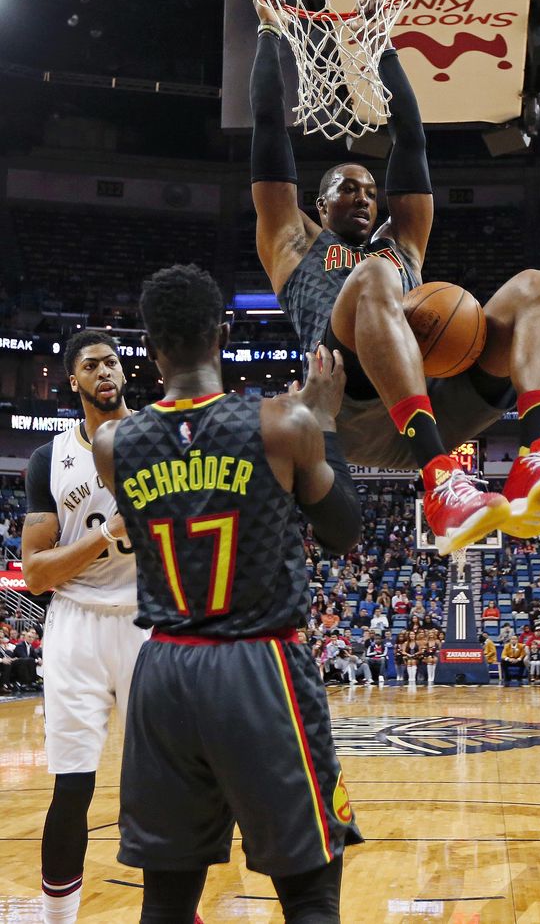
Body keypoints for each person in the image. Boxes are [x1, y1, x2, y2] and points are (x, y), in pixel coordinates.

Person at [248, 0, 540, 555]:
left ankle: (535, 458)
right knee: (377, 278)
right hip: (353, 406)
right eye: (347, 188)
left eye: (369, 190)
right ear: (318, 203)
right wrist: (267, 36)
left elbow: (412, 137)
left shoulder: (403, 241)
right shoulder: (291, 242)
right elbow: (267, 127)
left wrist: (384, 48)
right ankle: (440, 481)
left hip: (438, 401)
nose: (363, 197)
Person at [91, 265, 364, 923]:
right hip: (258, 665)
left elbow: (179, 471)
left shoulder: (112, 444)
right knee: (309, 889)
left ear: (151, 349)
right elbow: (342, 530)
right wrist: (324, 420)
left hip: (163, 670)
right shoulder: (282, 422)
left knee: (167, 897)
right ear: (223, 334)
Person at [22, 330, 149, 924]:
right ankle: (58, 919)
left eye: (114, 362)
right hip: (75, 626)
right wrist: (108, 535)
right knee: (72, 788)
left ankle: (172, 909)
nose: (106, 372)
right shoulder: (51, 457)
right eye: (92, 365)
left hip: (149, 620)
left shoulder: (158, 437)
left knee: (165, 784)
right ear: (72, 380)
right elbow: (37, 572)